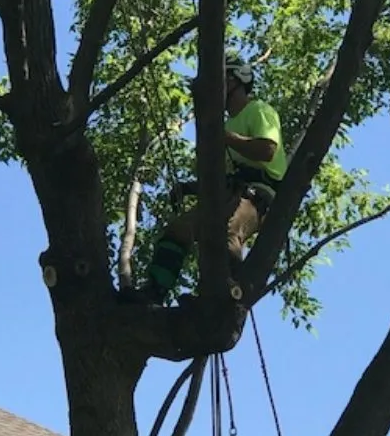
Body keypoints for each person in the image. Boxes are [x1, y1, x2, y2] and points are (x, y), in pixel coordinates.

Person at [121, 54, 287, 305]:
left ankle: (222, 297)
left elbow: (267, 150)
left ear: (235, 80)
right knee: (179, 229)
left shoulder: (259, 110)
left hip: (260, 194)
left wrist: (225, 137)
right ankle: (154, 291)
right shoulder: (229, 123)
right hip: (233, 190)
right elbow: (224, 176)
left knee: (229, 233)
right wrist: (189, 188)